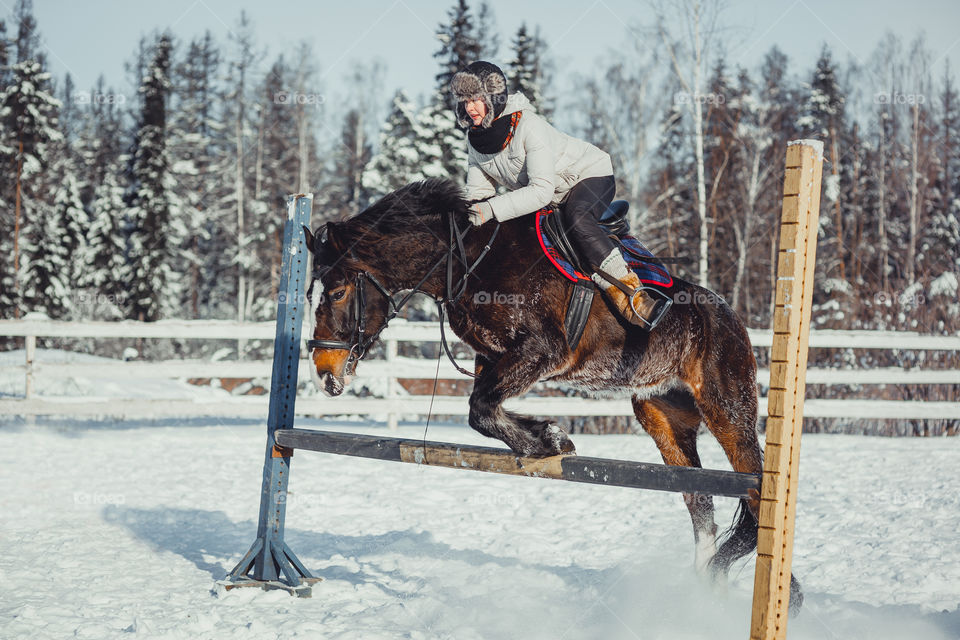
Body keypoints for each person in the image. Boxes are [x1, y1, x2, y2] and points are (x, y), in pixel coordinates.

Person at [450, 60, 669, 329]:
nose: (469, 107)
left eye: (475, 99)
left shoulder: (529, 126)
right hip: (551, 195)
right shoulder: (475, 141)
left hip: (589, 175)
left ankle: (634, 296)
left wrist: (490, 209)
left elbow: (540, 192)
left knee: (578, 218)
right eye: (464, 101)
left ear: (493, 97)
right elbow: (479, 194)